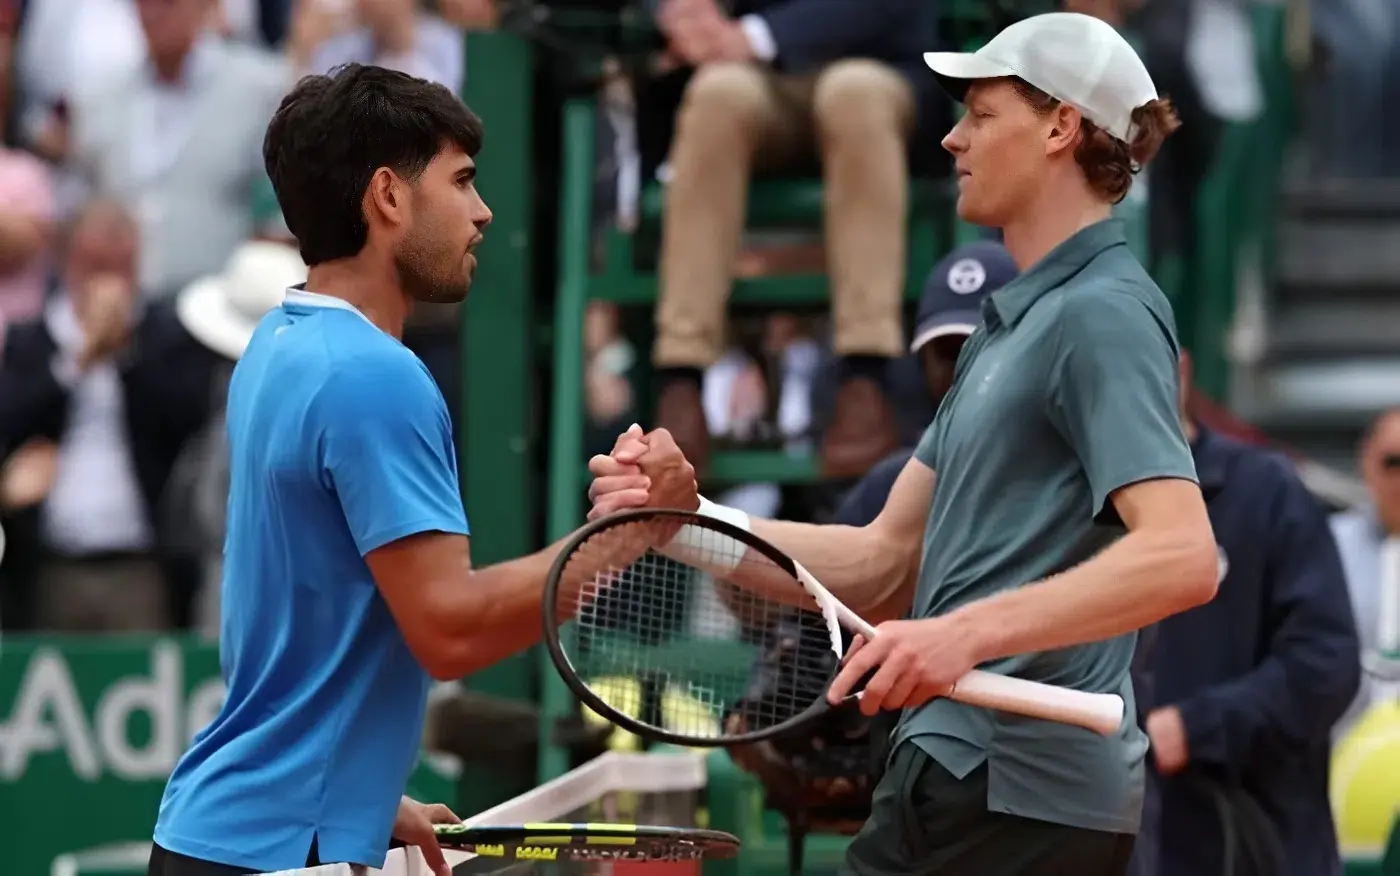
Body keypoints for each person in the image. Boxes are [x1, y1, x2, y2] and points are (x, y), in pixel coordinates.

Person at [589, 13, 1219, 875]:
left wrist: (960, 635)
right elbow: (880, 560)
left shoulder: (1103, 311)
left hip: (1019, 793)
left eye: (983, 116)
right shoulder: (1006, 331)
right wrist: (687, 520)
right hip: (955, 774)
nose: (953, 138)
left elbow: (1183, 557)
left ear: (1061, 128)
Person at [147, 63, 622, 876]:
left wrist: (355, 799)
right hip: (279, 854)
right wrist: (622, 541)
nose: (483, 211)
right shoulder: (375, 376)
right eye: (461, 181)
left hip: (228, 833)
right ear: (389, 197)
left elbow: (303, 613)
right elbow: (450, 629)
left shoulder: (278, 341)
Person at [1130, 351, 1359, 876]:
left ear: (1180, 371)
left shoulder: (1266, 491)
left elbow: (1326, 665)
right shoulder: (1079, 506)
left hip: (1252, 843)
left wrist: (1196, 728)